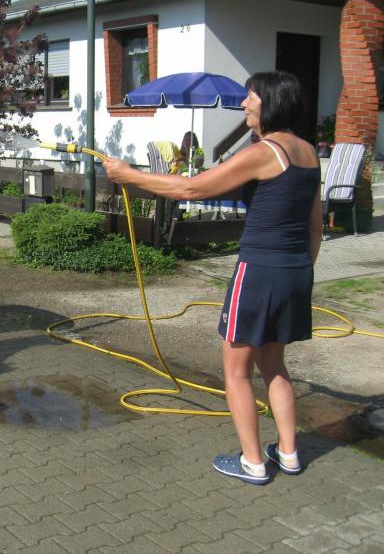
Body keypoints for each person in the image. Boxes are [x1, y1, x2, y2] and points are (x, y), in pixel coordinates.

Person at [103, 71, 322, 485]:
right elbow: (316, 229)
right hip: (296, 270)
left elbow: (192, 190)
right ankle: (289, 454)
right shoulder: (308, 152)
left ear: (271, 102)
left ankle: (253, 462)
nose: (244, 104)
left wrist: (129, 175)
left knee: (236, 371)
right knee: (274, 364)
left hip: (258, 272)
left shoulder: (266, 151)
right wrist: (298, 273)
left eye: (251, 97)